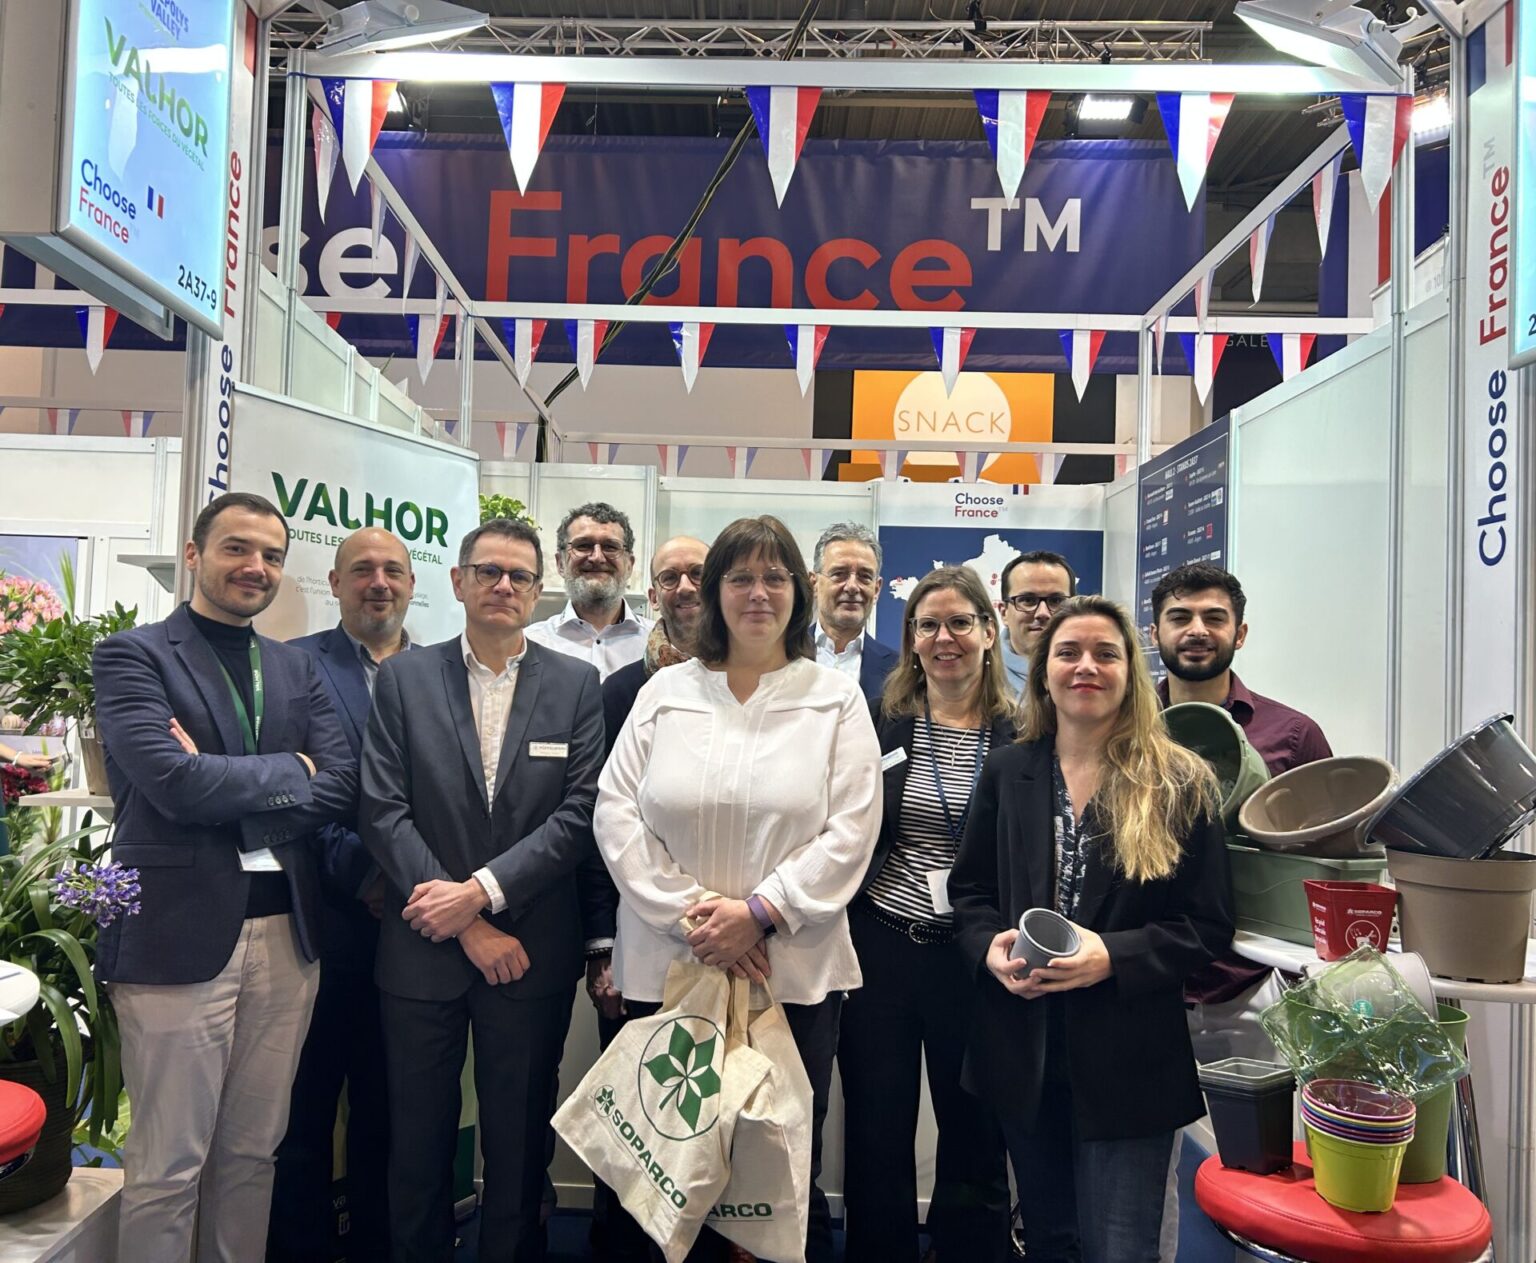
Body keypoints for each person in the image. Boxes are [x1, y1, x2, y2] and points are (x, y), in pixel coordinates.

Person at [594, 515, 882, 1263]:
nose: (758, 593)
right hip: (671, 966)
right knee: (668, 1166)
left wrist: (760, 913)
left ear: (798, 591)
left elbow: (852, 830)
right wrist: (699, 919)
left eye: (774, 577)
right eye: (741, 577)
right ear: (716, 592)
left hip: (789, 974)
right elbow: (616, 813)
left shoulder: (834, 699)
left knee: (773, 1170)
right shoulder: (665, 693)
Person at [92, 491, 358, 1263]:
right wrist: (291, 769)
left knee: (252, 1153)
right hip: (177, 934)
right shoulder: (134, 654)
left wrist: (225, 782)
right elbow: (172, 782)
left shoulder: (296, 666)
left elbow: (341, 783)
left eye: (272, 555)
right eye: (238, 548)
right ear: (194, 554)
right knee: (168, 1165)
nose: (256, 566)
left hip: (287, 938)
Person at [949, 595, 1232, 1263]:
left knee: (1121, 1248)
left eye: (1106, 654)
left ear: (1131, 672)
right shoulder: (1009, 771)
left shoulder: (1179, 780)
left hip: (1129, 1061)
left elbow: (1209, 923)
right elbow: (971, 891)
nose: (1086, 667)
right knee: (1048, 1241)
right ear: (1042, 671)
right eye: (1068, 653)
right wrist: (988, 947)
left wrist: (1115, 956)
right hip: (1025, 1051)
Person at [359, 516, 604, 1263]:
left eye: (519, 576)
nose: (503, 585)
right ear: (458, 581)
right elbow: (381, 810)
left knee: (519, 1144)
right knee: (416, 1144)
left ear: (538, 590)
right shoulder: (404, 678)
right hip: (422, 947)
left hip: (529, 951)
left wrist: (481, 895)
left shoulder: (576, 684)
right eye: (488, 571)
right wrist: (464, 916)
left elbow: (580, 813)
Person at [839, 566, 1013, 1263]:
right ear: (910, 638)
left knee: (974, 1128)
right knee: (876, 1127)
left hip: (974, 957)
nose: (945, 638)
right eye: (928, 624)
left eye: (960, 623)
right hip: (882, 949)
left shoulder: (1023, 732)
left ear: (989, 632)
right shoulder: (878, 720)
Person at [269, 528, 416, 1263]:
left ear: (414, 584)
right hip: (325, 928)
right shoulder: (295, 667)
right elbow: (292, 792)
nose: (378, 582)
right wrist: (366, 875)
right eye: (362, 569)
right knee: (304, 1112)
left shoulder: (442, 671)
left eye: (393, 570)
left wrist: (415, 879)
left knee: (390, 1115)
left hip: (419, 933)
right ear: (334, 582)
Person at [1151, 561, 1333, 1067]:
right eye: (1179, 617)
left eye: (1214, 618)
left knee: (1254, 1123)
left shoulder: (1294, 735)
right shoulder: (1118, 729)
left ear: (1240, 633)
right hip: (1142, 982)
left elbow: (1326, 855)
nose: (1197, 630)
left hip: (1251, 987)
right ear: (1154, 633)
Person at [588, 534, 709, 1263]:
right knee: (635, 1115)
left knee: (719, 1119)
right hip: (639, 943)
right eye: (671, 577)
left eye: (699, 573)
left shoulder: (765, 683)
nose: (686, 586)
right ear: (652, 589)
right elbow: (602, 823)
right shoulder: (621, 692)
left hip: (736, 940)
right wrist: (601, 945)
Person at [525, 502, 652, 680]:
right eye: (583, 545)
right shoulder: (530, 643)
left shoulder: (657, 644)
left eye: (610, 547)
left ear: (629, 565)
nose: (597, 557)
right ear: (560, 563)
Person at [809, 522, 897, 703]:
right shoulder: (781, 655)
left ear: (877, 589)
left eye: (864, 576)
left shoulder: (898, 672)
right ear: (814, 583)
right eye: (839, 574)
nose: (852, 587)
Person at [997, 550, 1077, 694]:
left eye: (1056, 601)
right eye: (1028, 600)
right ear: (1004, 613)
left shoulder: (1093, 674)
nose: (1042, 613)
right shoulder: (976, 679)